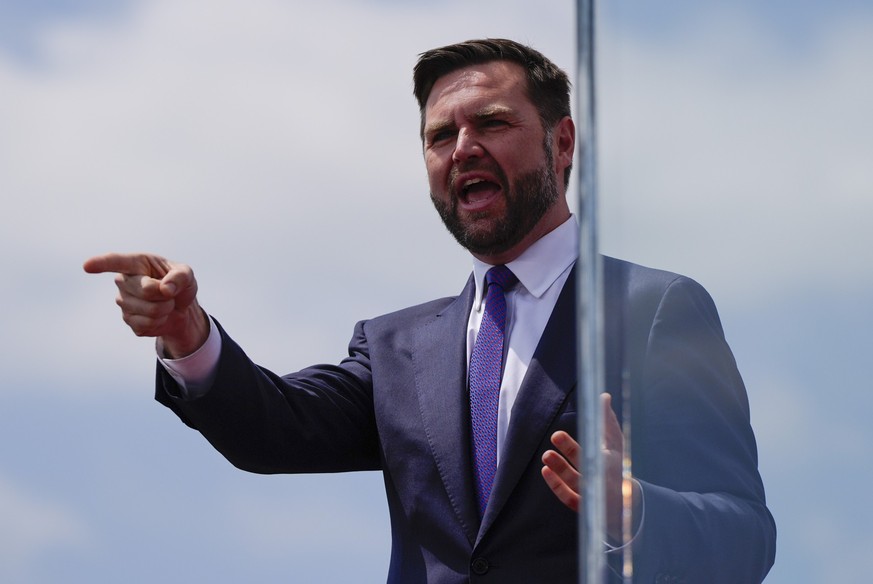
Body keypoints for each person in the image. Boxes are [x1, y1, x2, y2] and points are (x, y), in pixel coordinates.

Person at [84, 39, 776, 583]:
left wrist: (634, 513)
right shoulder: (395, 346)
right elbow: (273, 431)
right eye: (439, 136)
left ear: (561, 144)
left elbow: (743, 535)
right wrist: (187, 334)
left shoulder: (651, 309)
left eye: (492, 123)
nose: (462, 148)